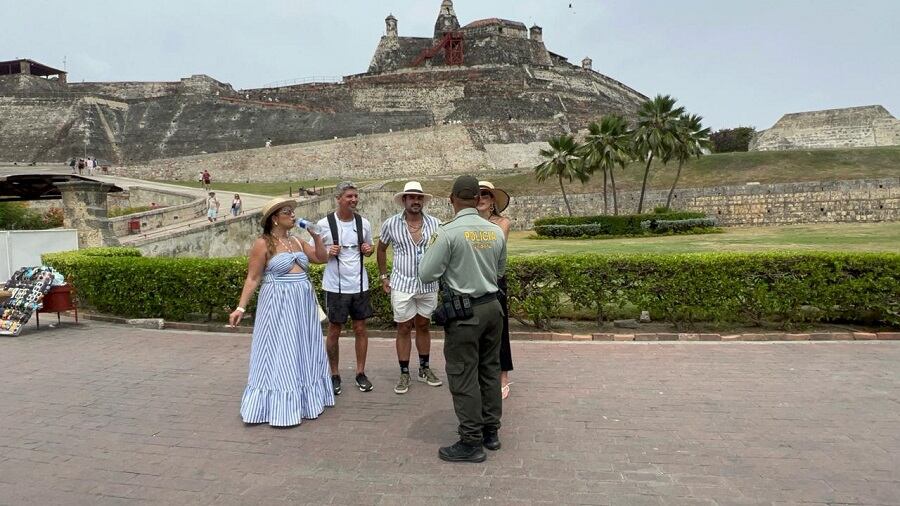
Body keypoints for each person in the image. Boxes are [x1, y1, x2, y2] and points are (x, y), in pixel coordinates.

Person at [419, 175, 507, 463]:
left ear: (452, 199)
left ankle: (471, 440)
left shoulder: (447, 232)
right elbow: (500, 271)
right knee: (490, 370)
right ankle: (491, 431)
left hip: (465, 313)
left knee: (463, 373)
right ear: (477, 198)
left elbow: (426, 273)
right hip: (492, 307)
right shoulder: (495, 231)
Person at [228, 196, 333, 426]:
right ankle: (278, 404)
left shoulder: (296, 241)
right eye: (287, 212)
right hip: (278, 302)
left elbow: (321, 258)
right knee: (281, 348)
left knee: (303, 346)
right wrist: (240, 307)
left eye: (292, 211)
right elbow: (253, 278)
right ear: (274, 219)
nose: (293, 215)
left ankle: (306, 399)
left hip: (302, 303)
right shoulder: (263, 244)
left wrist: (317, 237)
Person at [376, 181, 443, 395]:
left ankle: (424, 368)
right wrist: (384, 276)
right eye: (412, 197)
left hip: (428, 284)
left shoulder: (436, 224)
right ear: (404, 200)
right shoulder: (391, 224)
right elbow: (381, 249)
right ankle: (404, 372)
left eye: (419, 197)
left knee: (423, 325)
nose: (416, 201)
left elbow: (444, 251)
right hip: (402, 284)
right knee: (403, 327)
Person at [313, 181, 375, 394]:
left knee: (361, 329)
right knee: (334, 330)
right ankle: (334, 374)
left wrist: (368, 249)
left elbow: (370, 247)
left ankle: (360, 372)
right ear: (338, 199)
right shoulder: (324, 224)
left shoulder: (363, 223)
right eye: (349, 196)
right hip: (335, 286)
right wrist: (328, 252)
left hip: (359, 284)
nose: (354, 199)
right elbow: (315, 256)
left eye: (355, 196)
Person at [477, 181, 513, 399]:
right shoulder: (469, 223)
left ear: (492, 200)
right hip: (475, 280)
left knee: (500, 329)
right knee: (477, 330)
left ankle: (503, 376)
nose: (480, 198)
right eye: (477, 194)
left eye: (485, 194)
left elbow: (494, 246)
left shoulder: (502, 223)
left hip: (494, 279)